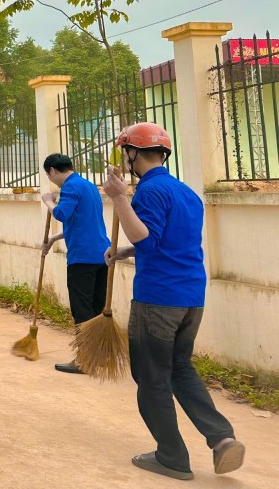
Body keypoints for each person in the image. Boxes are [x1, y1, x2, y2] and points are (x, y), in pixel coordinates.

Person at [103, 122, 245, 480]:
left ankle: (172, 457)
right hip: (191, 298)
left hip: (158, 299)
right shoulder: (186, 192)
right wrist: (125, 251)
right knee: (180, 368)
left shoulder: (149, 191)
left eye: (126, 152)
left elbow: (147, 239)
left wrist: (118, 198)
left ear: (133, 153)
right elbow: (166, 241)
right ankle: (222, 438)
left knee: (151, 377)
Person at [40, 153, 111, 374]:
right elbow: (82, 222)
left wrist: (49, 201)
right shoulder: (89, 186)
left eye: (49, 176)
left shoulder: (70, 187)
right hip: (102, 255)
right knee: (97, 308)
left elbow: (62, 213)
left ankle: (84, 360)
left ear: (52, 171)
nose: (51, 180)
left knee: (81, 309)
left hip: (82, 258)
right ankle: (99, 356)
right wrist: (54, 238)